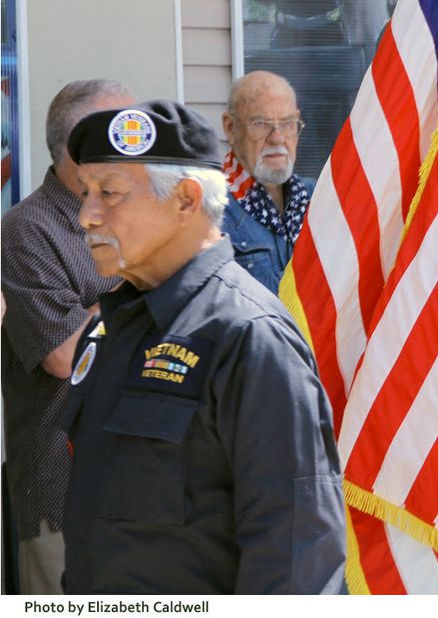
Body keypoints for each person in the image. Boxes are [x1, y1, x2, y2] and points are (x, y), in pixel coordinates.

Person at [59, 100, 346, 594]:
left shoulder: (248, 335)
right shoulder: (113, 326)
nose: (87, 215)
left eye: (109, 193)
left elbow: (297, 548)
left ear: (187, 200)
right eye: (85, 193)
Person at [1, 80, 133, 594]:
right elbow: (63, 355)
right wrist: (140, 295)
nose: (135, 148)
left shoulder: (134, 218)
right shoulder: (25, 231)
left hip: (138, 489)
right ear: (78, 150)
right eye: (120, 134)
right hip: (60, 493)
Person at [221, 70, 313, 292]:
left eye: (288, 123)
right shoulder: (209, 209)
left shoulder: (319, 197)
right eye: (261, 123)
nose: (278, 137)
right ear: (230, 128)